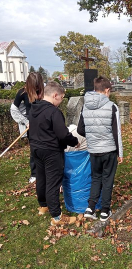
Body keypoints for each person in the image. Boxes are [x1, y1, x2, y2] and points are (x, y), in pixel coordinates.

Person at [28, 81, 79, 226]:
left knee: (41, 177)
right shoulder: (53, 112)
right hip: (51, 151)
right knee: (53, 182)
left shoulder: (34, 108)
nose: (61, 101)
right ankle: (57, 216)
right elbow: (63, 134)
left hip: (36, 149)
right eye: (61, 98)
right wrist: (74, 141)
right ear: (55, 95)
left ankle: (43, 205)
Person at [77, 75, 123, 222]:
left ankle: (90, 208)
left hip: (94, 151)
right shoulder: (112, 107)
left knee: (96, 178)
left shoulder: (85, 106)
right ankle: (104, 210)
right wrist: (120, 152)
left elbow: (80, 129)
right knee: (108, 180)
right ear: (107, 90)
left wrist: (92, 136)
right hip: (109, 150)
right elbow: (117, 132)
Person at [10, 72, 44, 183]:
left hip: (45, 124)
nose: (37, 88)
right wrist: (25, 122)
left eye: (38, 85)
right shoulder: (22, 93)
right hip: (32, 126)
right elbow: (14, 109)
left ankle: (45, 170)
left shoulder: (44, 91)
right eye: (35, 86)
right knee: (34, 150)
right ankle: (34, 173)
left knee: (46, 148)